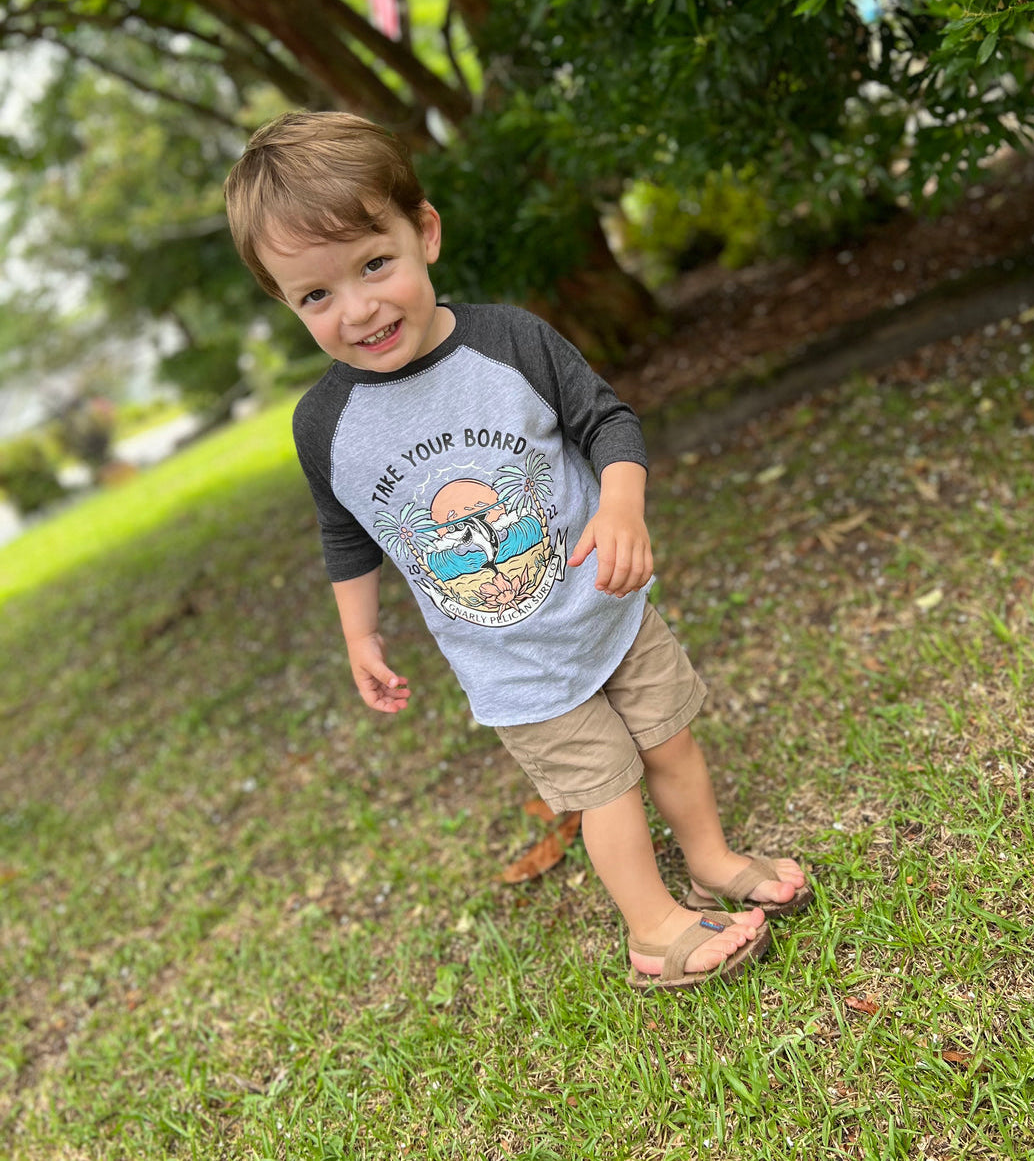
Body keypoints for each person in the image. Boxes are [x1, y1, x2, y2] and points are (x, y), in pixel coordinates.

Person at [224, 111, 810, 988]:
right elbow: (344, 530)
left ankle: (714, 860)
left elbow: (606, 420)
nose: (358, 309)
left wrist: (621, 506)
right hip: (515, 665)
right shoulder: (327, 426)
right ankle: (652, 930)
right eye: (316, 296)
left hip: (604, 605)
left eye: (373, 264)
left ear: (423, 233)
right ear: (286, 301)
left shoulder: (510, 342)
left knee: (670, 739)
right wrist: (360, 636)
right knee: (605, 787)